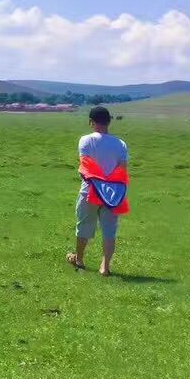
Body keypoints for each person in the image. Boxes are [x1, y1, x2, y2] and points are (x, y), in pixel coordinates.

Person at [68, 105, 129, 277]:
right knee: (110, 230)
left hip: (90, 190)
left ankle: (79, 259)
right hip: (113, 193)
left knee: (84, 226)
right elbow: (122, 169)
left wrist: (97, 183)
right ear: (109, 121)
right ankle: (105, 266)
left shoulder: (86, 140)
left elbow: (85, 166)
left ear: (90, 122)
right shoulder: (121, 144)